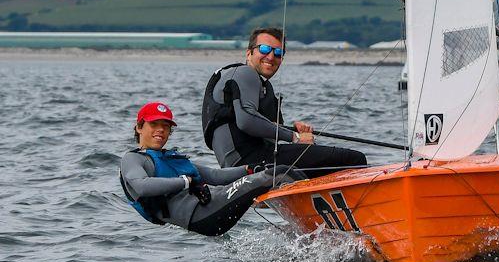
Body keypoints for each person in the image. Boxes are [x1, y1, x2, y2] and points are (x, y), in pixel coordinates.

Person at [119, 101, 305, 236]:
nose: (160, 130)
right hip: (203, 217)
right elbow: (142, 186)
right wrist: (187, 182)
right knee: (279, 173)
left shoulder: (169, 158)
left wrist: (249, 169)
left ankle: (308, 226)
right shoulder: (133, 159)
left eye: (165, 126)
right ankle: (315, 222)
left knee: (273, 174)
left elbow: (215, 176)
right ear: (139, 127)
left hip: (215, 206)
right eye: (154, 124)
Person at [202, 27, 367, 176]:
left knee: (318, 161)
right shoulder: (245, 73)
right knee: (354, 159)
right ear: (249, 53)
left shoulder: (257, 85)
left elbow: (260, 128)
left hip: (241, 167)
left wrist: (293, 131)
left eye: (278, 53)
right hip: (250, 164)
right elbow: (247, 120)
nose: (271, 56)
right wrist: (295, 137)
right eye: (265, 49)